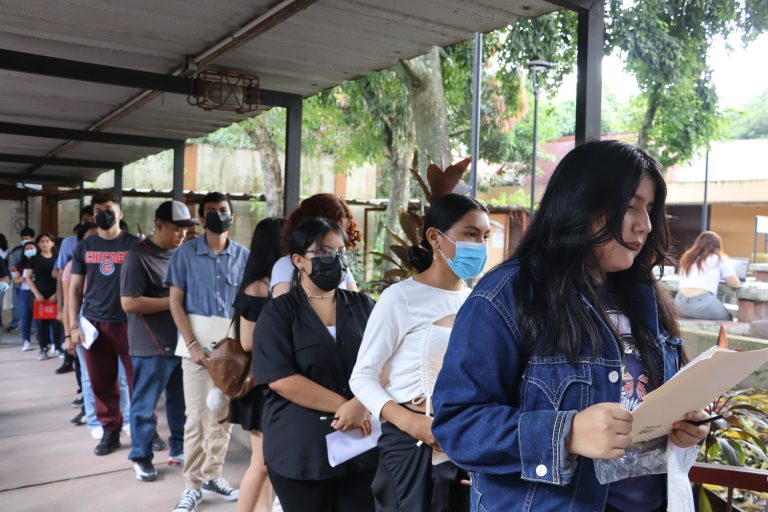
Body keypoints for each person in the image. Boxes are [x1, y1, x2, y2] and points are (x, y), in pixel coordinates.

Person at [431, 141, 711, 512]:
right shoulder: (507, 296)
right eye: (630, 205)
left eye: (649, 208)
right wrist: (567, 433)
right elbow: (457, 425)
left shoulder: (647, 297)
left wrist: (688, 426)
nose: (644, 224)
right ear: (581, 203)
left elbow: (658, 400)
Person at [350, 194, 490, 512]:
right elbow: (362, 377)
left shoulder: (477, 300)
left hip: (464, 442)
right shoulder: (400, 297)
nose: (479, 245)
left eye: (484, 236)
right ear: (434, 237)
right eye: (470, 234)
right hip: (411, 444)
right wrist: (410, 423)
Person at [253, 218, 377, 512]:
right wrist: (346, 406)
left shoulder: (363, 306)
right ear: (299, 261)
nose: (335, 259)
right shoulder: (278, 313)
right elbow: (281, 379)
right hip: (301, 453)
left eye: (341, 251)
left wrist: (361, 403)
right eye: (323, 252)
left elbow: (383, 361)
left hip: (362, 451)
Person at [166, 191, 248, 512]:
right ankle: (192, 485)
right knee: (197, 419)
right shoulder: (184, 255)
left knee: (222, 418)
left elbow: (247, 306)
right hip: (196, 353)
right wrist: (192, 344)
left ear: (232, 216)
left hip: (231, 354)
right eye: (211, 211)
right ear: (201, 219)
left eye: (223, 209)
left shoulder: (244, 256)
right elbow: (175, 302)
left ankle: (213, 474)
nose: (218, 214)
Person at [121, 201, 197, 482]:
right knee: (145, 405)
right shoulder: (137, 256)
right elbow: (129, 302)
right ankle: (140, 457)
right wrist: (173, 302)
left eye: (186, 230)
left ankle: (178, 448)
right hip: (150, 344)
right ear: (159, 226)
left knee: (181, 402)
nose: (182, 235)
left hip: (182, 341)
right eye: (177, 229)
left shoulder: (183, 254)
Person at [69, 192, 139, 456]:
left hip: (130, 323)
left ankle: (145, 429)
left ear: (120, 213)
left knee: (138, 381)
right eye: (98, 210)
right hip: (94, 324)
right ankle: (110, 431)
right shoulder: (84, 247)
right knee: (101, 382)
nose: (103, 214)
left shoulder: (135, 245)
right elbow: (75, 288)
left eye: (108, 208)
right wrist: (73, 327)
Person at [230, 218, 284, 512]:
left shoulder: (277, 283)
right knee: (261, 464)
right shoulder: (258, 287)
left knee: (267, 463)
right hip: (259, 384)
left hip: (271, 381)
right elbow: (247, 342)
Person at [271, 194, 361, 297]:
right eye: (333, 228)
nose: (339, 236)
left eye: (344, 231)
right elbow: (283, 305)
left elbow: (356, 302)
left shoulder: (340, 267)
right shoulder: (286, 266)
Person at [675, 231, 740, 321]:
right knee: (728, 319)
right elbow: (735, 284)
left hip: (679, 303)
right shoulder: (719, 258)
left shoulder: (687, 258)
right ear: (717, 246)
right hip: (703, 304)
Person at [24, 233, 62, 360]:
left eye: (47, 241)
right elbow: (28, 277)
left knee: (57, 323)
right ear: (38, 244)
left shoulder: (58, 258)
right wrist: (36, 293)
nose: (44, 244)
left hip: (55, 294)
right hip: (38, 295)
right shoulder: (34, 259)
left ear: (52, 243)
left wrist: (57, 294)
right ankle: (43, 349)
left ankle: (58, 348)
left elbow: (62, 277)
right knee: (40, 323)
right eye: (41, 241)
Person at [7, 227, 36, 336]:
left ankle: (33, 327)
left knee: (33, 305)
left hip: (34, 284)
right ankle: (15, 324)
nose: (25, 241)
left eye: (27, 238)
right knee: (17, 304)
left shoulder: (37, 251)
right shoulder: (17, 251)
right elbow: (11, 266)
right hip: (19, 282)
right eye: (23, 239)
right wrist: (18, 275)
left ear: (33, 238)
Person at [13, 239, 37, 351]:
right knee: (25, 317)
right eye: (27, 249)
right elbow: (15, 279)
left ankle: (50, 341)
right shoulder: (21, 263)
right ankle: (26, 341)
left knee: (44, 317)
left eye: (31, 248)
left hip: (39, 291)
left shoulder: (40, 261)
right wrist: (22, 279)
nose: (29, 250)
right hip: (25, 292)